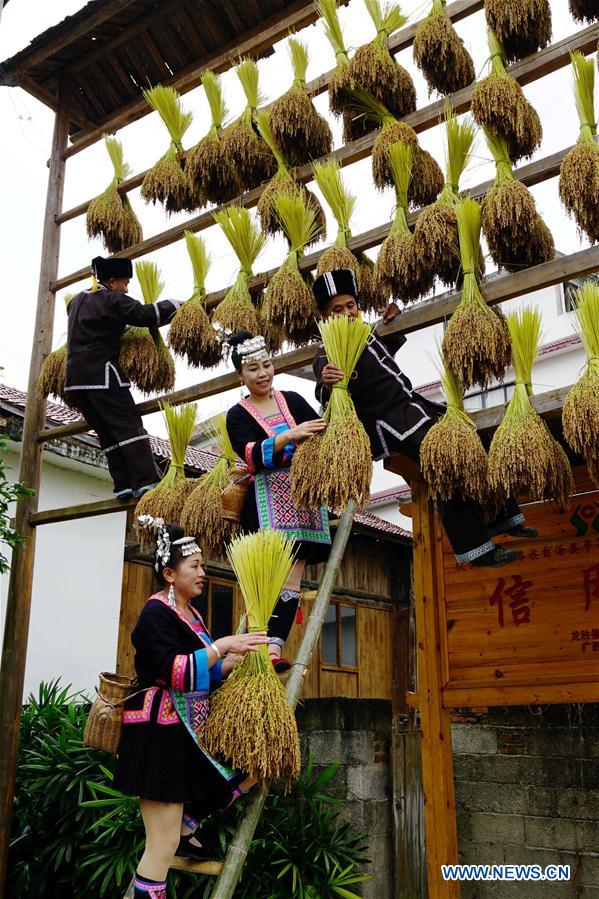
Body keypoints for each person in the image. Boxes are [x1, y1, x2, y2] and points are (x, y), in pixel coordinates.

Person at [312, 269, 537, 568]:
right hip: (391, 426)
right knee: (444, 462)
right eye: (337, 310)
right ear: (326, 316)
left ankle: (504, 517)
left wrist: (392, 321)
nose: (347, 313)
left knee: (471, 438)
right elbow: (325, 392)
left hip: (414, 409)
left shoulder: (364, 334)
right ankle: (476, 549)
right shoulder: (327, 353)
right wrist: (326, 383)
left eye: (351, 305)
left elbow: (380, 357)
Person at [114, 520, 267, 899]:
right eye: (194, 566)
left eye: (202, 565)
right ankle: (178, 834)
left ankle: (188, 824)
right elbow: (176, 672)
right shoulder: (155, 615)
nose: (203, 572)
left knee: (251, 769)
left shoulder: (192, 615)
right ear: (169, 573)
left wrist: (240, 655)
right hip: (159, 737)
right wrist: (224, 643)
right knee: (160, 849)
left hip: (188, 736)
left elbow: (207, 672)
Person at [225, 331, 332, 670]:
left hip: (302, 503)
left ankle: (274, 646)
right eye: (253, 368)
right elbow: (250, 455)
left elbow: (320, 428)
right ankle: (255, 645)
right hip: (265, 505)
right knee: (267, 579)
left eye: (267, 365)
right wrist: (288, 436)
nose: (263, 373)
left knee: (293, 580)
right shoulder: (237, 414)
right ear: (241, 375)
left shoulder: (293, 399)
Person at [65, 255, 179, 500]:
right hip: (102, 377)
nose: (127, 289)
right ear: (113, 280)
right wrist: (175, 305)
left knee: (107, 433)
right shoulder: (112, 298)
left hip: (75, 382)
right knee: (128, 426)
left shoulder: (76, 301)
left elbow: (95, 325)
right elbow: (144, 314)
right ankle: (147, 480)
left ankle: (124, 485)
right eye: (125, 283)